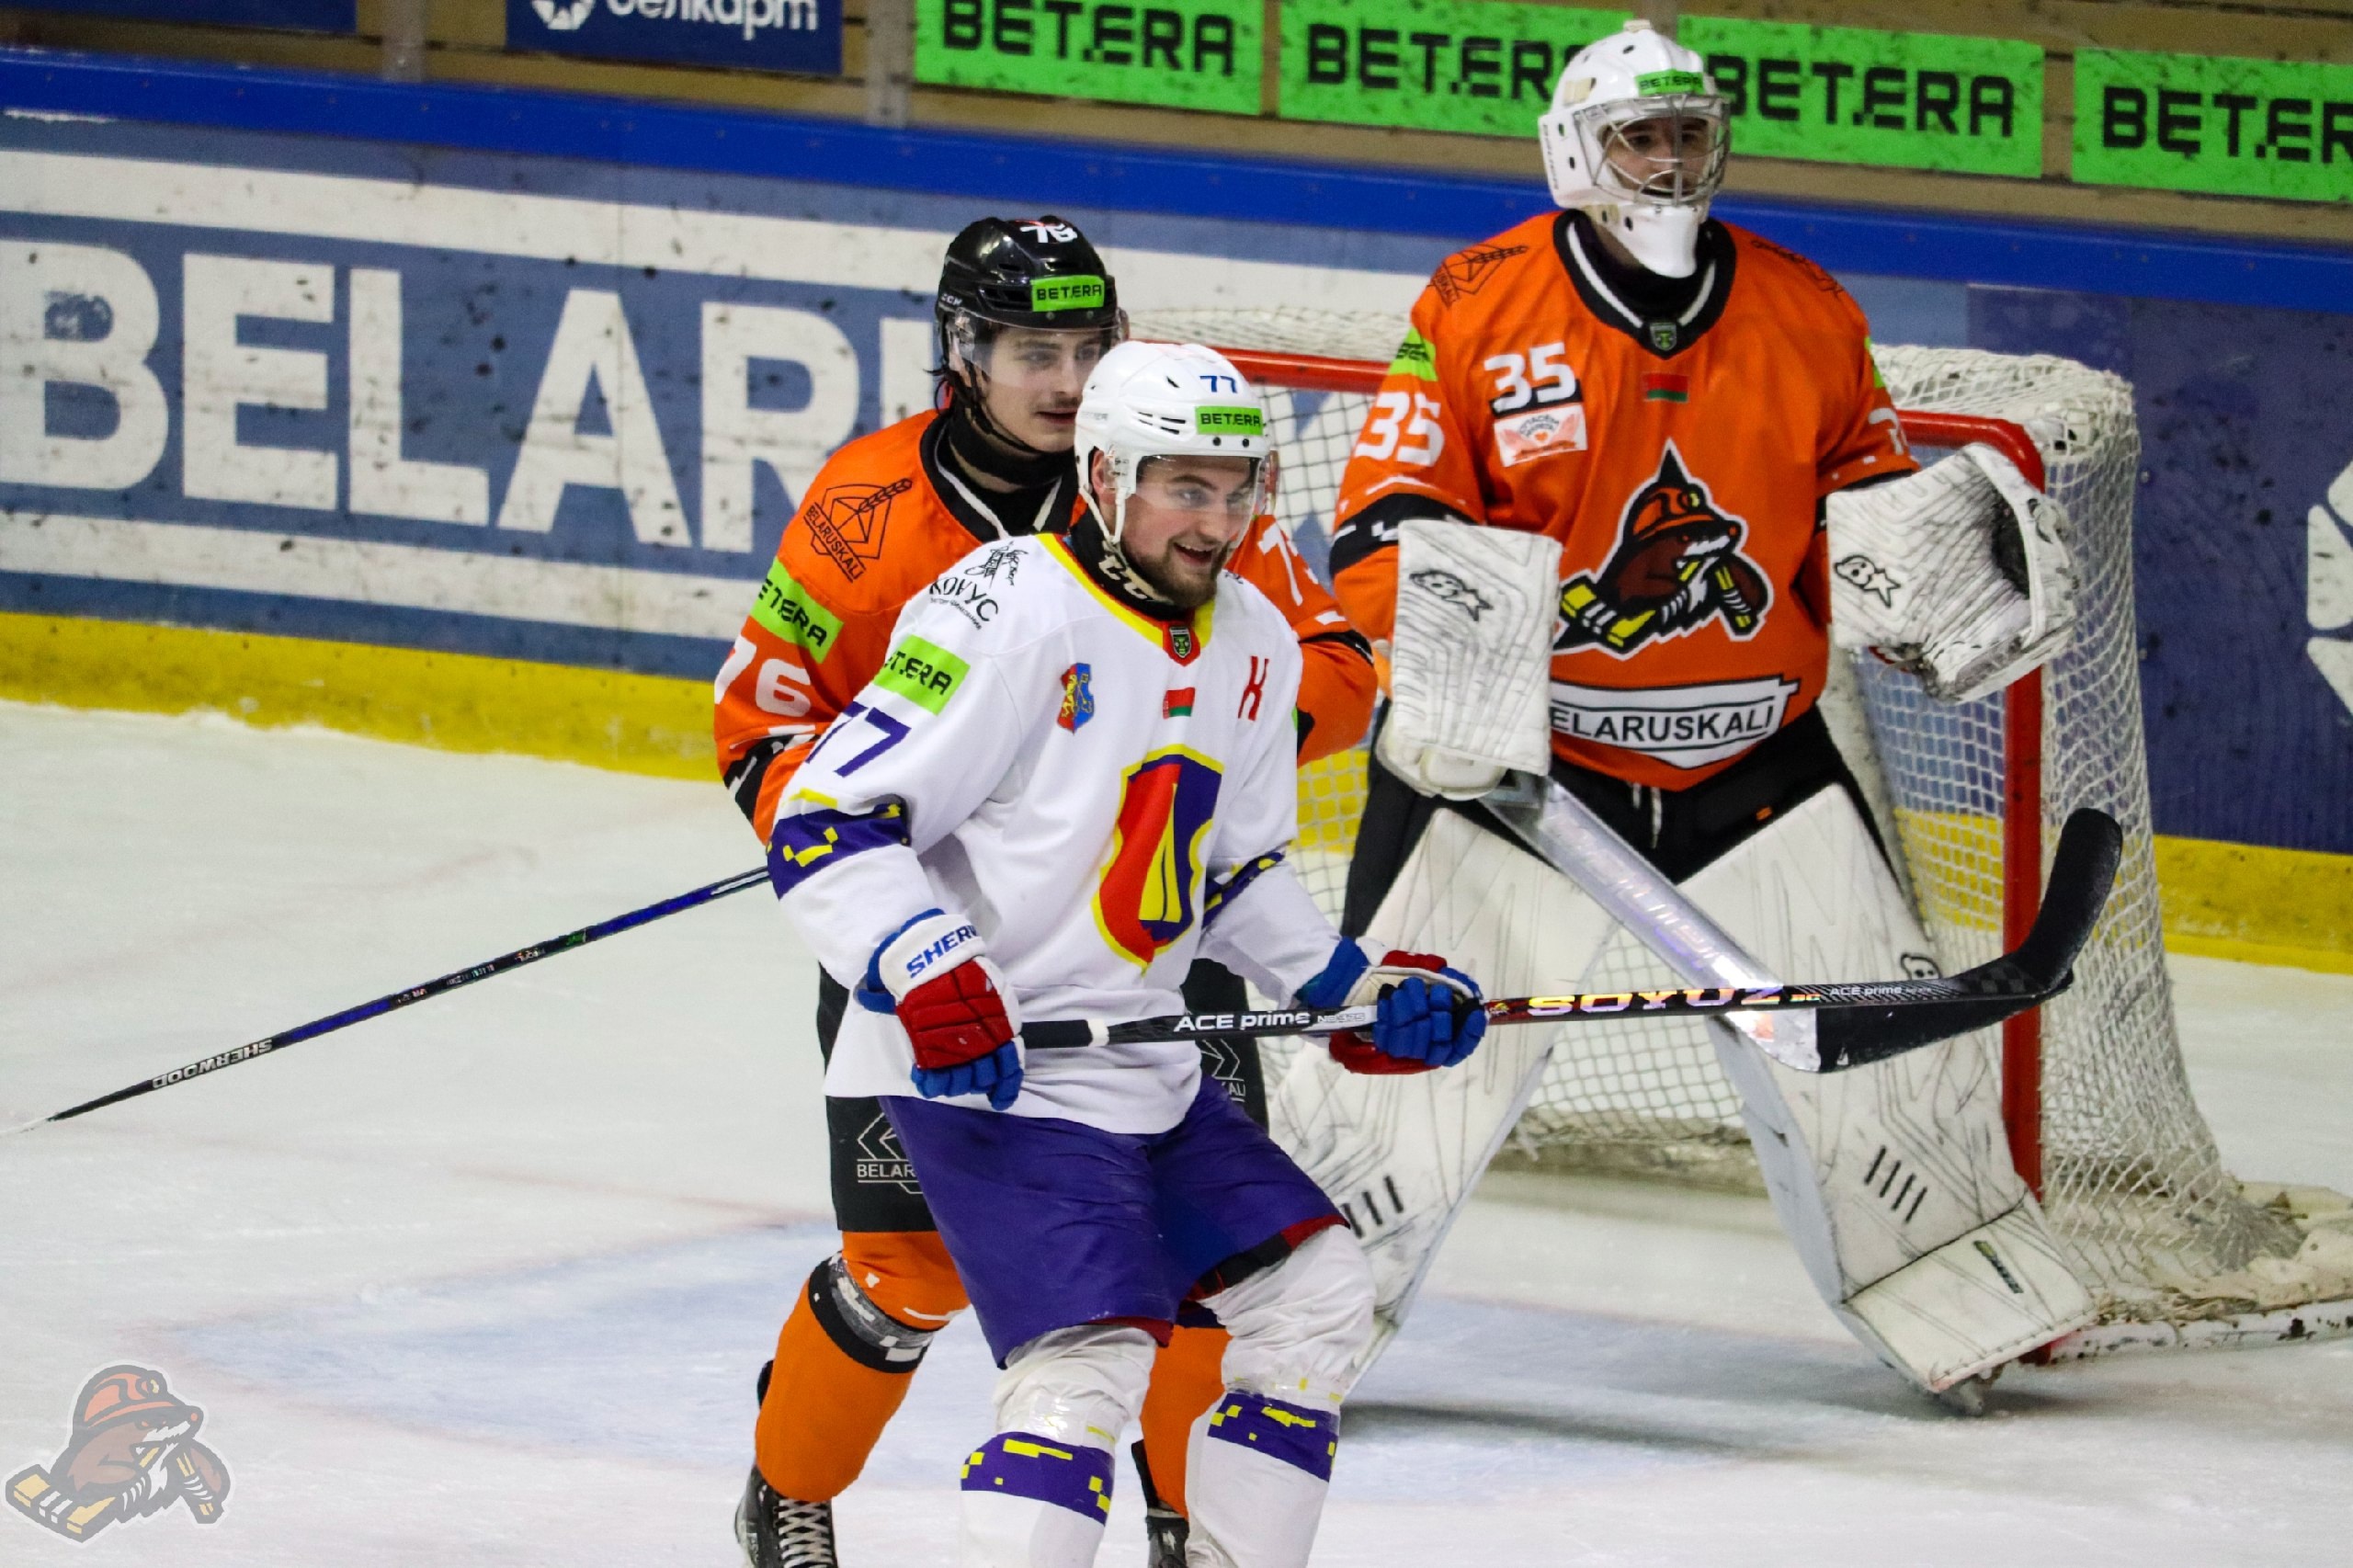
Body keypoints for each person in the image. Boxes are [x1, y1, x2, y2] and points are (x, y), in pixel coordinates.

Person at [1292, 19, 2081, 1381]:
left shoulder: (1806, 308)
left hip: (1758, 759)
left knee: (1891, 1082)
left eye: (1686, 135)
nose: (1666, 162)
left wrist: (1942, 576)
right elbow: (1381, 520)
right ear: (1573, 152)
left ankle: (1962, 1288)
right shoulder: (1478, 301)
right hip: (1526, 778)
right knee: (1391, 1081)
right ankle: (1288, 1326)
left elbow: (1868, 505)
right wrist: (1457, 645)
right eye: (1637, 138)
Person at [713, 219, 1379, 1567]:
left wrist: (1127, 765)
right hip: (941, 946)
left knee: (1198, 1271)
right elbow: (766, 723)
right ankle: (788, 1486)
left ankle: (1189, 1523)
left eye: (1089, 349)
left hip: (1155, 927)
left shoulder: (1193, 493)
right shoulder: (867, 508)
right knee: (913, 1269)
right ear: (965, 355)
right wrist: (893, 838)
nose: (1066, 381)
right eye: (1035, 352)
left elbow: (1333, 671)